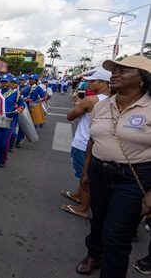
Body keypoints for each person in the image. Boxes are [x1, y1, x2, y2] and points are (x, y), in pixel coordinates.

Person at [75, 55, 151, 277]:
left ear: (142, 79)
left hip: (134, 177)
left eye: (123, 71)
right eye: (114, 70)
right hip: (99, 171)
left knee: (117, 234)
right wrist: (86, 172)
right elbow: (93, 140)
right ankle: (93, 254)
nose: (115, 74)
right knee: (97, 219)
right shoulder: (101, 106)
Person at [60, 68, 111, 220]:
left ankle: (83, 208)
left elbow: (70, 116)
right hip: (97, 144)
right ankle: (78, 195)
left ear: (103, 83)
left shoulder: (91, 100)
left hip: (83, 143)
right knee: (85, 172)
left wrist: (79, 104)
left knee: (85, 176)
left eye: (92, 81)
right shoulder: (112, 100)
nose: (88, 83)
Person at [0, 74, 24, 171]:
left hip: (8, 121)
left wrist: (20, 109)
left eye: (6, 82)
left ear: (10, 83)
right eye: (2, 81)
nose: (4, 83)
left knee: (4, 143)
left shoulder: (15, 93)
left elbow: (22, 104)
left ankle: (3, 160)